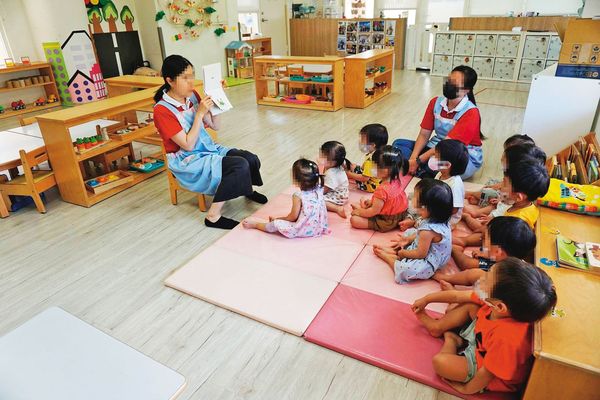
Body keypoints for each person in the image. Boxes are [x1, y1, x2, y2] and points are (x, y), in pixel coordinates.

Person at [411, 258, 557, 395]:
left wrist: (467, 389)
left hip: (486, 370)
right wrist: (427, 299)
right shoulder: (497, 302)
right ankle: (438, 327)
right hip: (483, 341)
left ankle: (453, 341)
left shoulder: (508, 340)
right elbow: (457, 296)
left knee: (440, 363)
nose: (481, 278)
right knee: (470, 305)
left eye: (487, 279)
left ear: (500, 306)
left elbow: (486, 373)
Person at [153, 55, 267, 230]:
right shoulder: (162, 110)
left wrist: (217, 99)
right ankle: (213, 216)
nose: (191, 82)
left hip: (206, 147)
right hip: (187, 158)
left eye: (192, 75)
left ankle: (247, 189)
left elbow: (216, 125)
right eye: (185, 78)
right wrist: (199, 113)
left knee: (250, 158)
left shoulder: (192, 96)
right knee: (239, 165)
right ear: (170, 80)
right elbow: (188, 145)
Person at [392, 65, 484, 180]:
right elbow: (424, 134)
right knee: (398, 144)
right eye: (449, 80)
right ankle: (421, 171)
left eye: (454, 83)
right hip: (436, 147)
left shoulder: (471, 112)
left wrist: (419, 160)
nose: (449, 84)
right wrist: (413, 158)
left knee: (439, 165)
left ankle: (420, 170)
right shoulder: (435, 102)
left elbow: (447, 147)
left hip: (459, 156)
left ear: (466, 90)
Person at [373, 179, 453, 283]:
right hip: (428, 246)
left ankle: (392, 258)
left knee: (407, 270)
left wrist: (403, 253)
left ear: (425, 208)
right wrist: (408, 239)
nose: (412, 197)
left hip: (430, 260)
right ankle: (396, 252)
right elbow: (419, 234)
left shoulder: (428, 231)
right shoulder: (437, 219)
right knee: (410, 232)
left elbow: (421, 254)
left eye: (415, 197)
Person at [434, 217, 536, 287]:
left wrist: (454, 250)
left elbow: (467, 265)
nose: (482, 239)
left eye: (485, 238)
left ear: (498, 252)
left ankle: (446, 278)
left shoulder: (499, 270)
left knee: (474, 272)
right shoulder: (513, 258)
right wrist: (487, 254)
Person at [242, 159, 329, 238]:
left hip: (306, 230)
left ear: (296, 180)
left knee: (275, 224)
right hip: (319, 226)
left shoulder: (298, 195)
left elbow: (292, 217)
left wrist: (278, 219)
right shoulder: (319, 188)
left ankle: (256, 225)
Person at [350, 145, 409, 232]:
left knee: (354, 220)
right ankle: (363, 207)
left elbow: (374, 211)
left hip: (386, 220)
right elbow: (390, 200)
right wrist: (372, 202)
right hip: (401, 214)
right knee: (368, 204)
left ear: (385, 170)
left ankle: (361, 208)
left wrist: (360, 212)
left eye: (374, 166)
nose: (372, 168)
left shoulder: (382, 190)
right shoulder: (397, 179)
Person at [346, 123, 389, 192]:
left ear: (373, 145)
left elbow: (364, 178)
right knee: (353, 166)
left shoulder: (371, 160)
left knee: (350, 168)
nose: (360, 141)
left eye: (362, 139)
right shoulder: (380, 153)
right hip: (377, 181)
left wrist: (349, 174)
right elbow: (373, 172)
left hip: (369, 186)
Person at [320, 141, 350, 218]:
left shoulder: (331, 173)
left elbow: (325, 190)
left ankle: (337, 208)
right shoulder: (338, 165)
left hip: (337, 196)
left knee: (317, 200)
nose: (320, 158)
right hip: (343, 192)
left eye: (323, 156)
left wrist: (315, 194)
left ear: (332, 162)